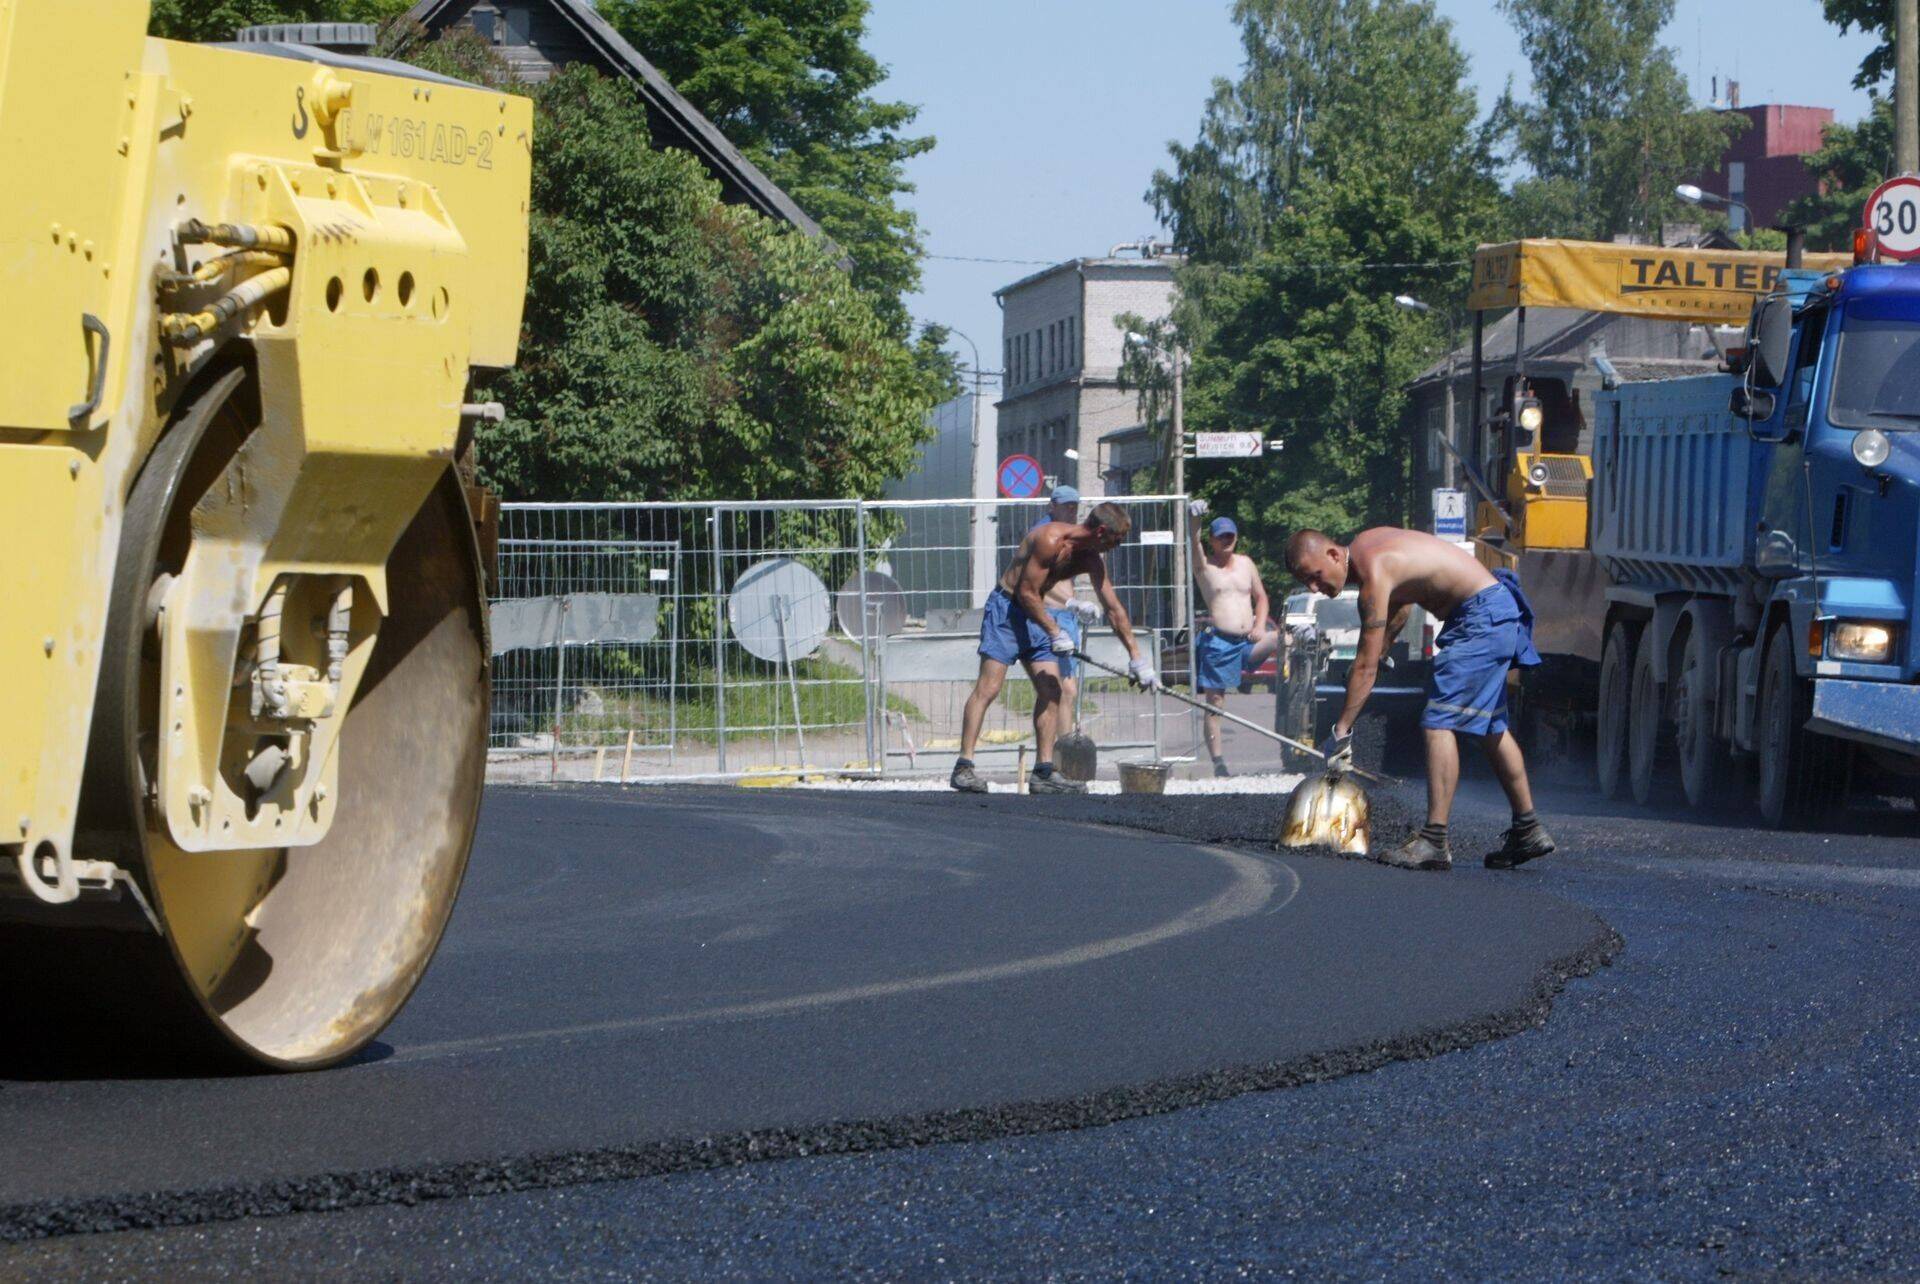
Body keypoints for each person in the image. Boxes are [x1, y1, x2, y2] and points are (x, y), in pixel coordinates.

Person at [1285, 526, 1555, 872]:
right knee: (1491, 726)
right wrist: (1383, 650)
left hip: (1480, 618)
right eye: (1306, 582)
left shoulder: (1373, 573)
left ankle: (1434, 840)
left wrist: (1341, 732)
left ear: (1334, 555)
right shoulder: (1371, 545)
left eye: (1315, 576)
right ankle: (1528, 829)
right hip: (1492, 609)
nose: (1313, 588)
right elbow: (1403, 605)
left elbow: (1364, 666)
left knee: (1438, 721)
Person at [953, 501, 1157, 794]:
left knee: (1052, 690)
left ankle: (1044, 773)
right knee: (989, 688)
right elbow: (1025, 591)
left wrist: (1138, 659)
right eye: (1116, 539)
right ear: (1101, 531)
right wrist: (1054, 630)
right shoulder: (1049, 540)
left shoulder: (1091, 560)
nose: (1118, 546)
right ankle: (964, 767)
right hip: (1007, 611)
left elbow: (1113, 609)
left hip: (1040, 614)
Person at [1185, 499, 1276, 776]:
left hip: (1248, 640)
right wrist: (1194, 519)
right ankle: (1219, 762)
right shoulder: (1204, 567)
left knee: (1285, 639)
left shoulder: (1246, 563)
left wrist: (1260, 624)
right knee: (1215, 702)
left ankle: (1298, 711)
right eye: (1220, 536)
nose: (1226, 540)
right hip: (1219, 642)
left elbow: (1261, 598)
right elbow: (1193, 540)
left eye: (1230, 536)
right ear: (1212, 539)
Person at [1037, 487, 1101, 742]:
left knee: (1063, 690)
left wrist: (1074, 607)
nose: (1071, 511)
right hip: (1048, 616)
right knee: (1064, 689)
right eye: (1066, 506)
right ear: (1052, 506)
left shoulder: (1071, 535)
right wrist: (1072, 602)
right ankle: (1062, 753)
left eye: (1074, 506)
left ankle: (1059, 751)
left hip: (1066, 617)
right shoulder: (1043, 535)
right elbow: (1036, 585)